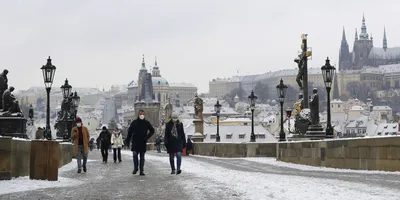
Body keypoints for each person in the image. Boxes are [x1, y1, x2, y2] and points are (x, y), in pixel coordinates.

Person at [125, 110, 155, 176]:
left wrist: (147, 137)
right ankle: (136, 168)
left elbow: (152, 130)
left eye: (143, 114)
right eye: (141, 114)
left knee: (142, 157)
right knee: (135, 155)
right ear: (138, 115)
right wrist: (127, 140)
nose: (142, 115)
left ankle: (141, 170)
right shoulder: (134, 122)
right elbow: (129, 132)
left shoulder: (146, 123)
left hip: (143, 142)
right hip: (135, 141)